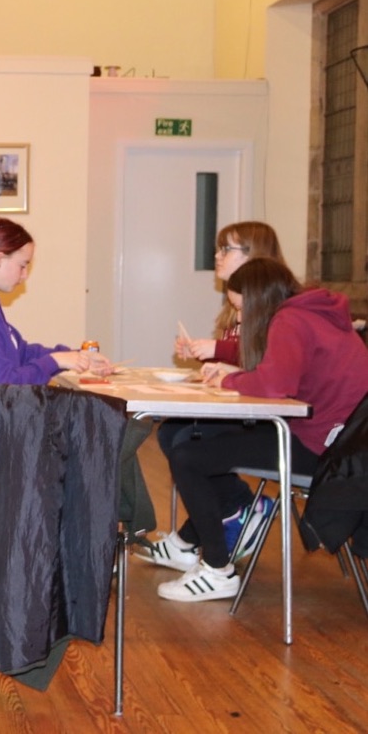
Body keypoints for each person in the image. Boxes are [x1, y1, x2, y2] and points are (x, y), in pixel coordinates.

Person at [143, 258, 368, 602]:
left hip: (325, 452)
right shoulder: (316, 313)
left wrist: (228, 377)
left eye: (240, 307)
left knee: (189, 456)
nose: (239, 318)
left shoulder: (290, 319)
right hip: (345, 449)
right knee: (200, 442)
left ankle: (217, 570)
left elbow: (275, 384)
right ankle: (201, 538)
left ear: (259, 299)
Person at [155, 221, 288, 556]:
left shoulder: (272, 308)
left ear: (253, 255)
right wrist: (213, 357)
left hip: (270, 416)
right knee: (170, 433)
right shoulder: (236, 305)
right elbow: (244, 358)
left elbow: (261, 360)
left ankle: (227, 521)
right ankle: (227, 517)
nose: (217, 255)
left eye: (226, 249)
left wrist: (216, 353)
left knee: (188, 443)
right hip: (249, 403)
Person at [0, 217, 113, 427]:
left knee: (86, 423)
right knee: (97, 425)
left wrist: (75, 356)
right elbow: (1, 385)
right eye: (22, 265)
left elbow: (20, 352)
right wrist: (55, 361)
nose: (24, 275)